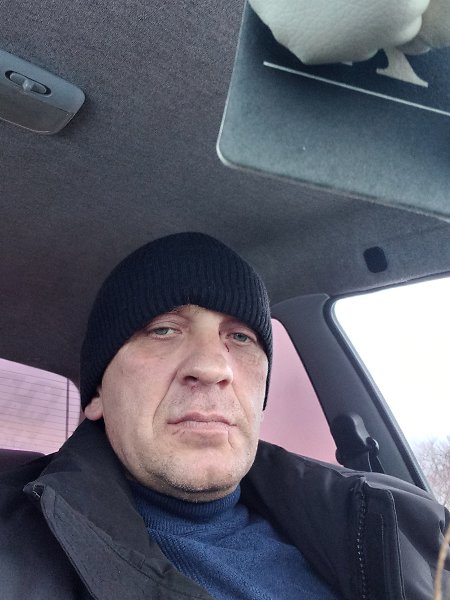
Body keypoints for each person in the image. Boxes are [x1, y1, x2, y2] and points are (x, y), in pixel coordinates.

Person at [0, 231, 449, 600]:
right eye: (163, 330)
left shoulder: (404, 520)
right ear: (97, 393)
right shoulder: (15, 551)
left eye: (240, 337)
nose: (214, 367)